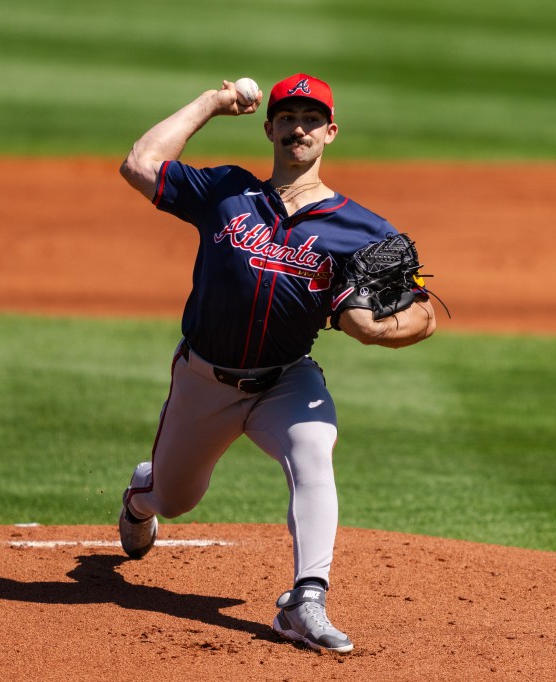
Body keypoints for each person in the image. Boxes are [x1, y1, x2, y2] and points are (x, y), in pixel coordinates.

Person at [116, 73, 436, 654]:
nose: (299, 128)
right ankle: (142, 495)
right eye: (288, 118)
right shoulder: (227, 193)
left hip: (286, 379)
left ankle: (304, 600)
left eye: (312, 119)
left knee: (314, 448)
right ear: (269, 128)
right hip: (204, 381)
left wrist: (375, 328)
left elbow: (424, 314)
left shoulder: (364, 229)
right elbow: (140, 164)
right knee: (174, 499)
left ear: (330, 133)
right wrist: (211, 103)